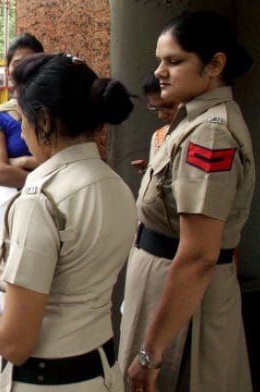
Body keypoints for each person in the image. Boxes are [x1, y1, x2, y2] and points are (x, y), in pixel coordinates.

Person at [0, 52, 136, 391]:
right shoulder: (116, 185)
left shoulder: (41, 200)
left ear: (44, 120)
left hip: (45, 379)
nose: (22, 134)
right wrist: (1, 273)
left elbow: (14, 343)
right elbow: (71, 276)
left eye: (23, 120)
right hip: (99, 370)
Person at [119, 11, 254, 392]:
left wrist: (151, 353)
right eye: (160, 60)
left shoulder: (210, 134)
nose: (160, 71)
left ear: (215, 65)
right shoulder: (191, 121)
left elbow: (198, 255)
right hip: (163, 285)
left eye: (174, 61)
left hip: (182, 299)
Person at [0, 32, 44, 314]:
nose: (24, 68)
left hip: (45, 214)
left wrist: (21, 163)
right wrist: (39, 171)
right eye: (17, 62)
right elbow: (0, 173)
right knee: (6, 300)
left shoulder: (49, 112)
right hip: (6, 217)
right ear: (8, 70)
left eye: (32, 61)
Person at [130, 74, 178, 174]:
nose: (161, 115)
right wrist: (150, 174)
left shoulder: (199, 130)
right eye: (156, 109)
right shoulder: (158, 137)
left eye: (168, 106)